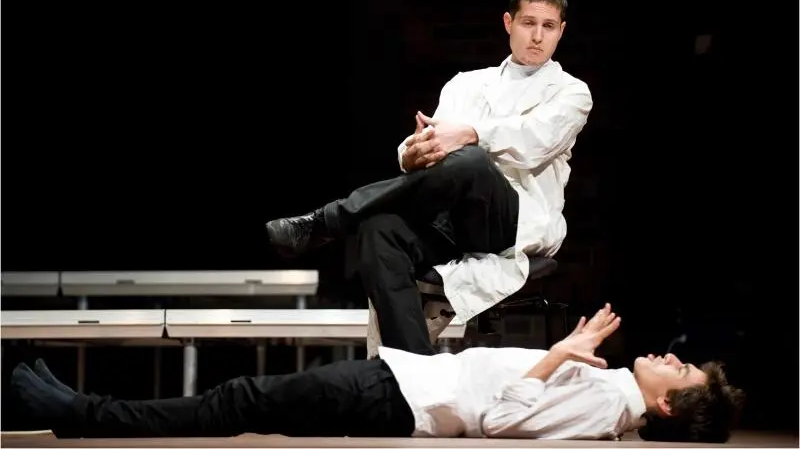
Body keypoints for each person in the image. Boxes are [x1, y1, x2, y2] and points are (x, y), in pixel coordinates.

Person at [265, 0, 593, 356]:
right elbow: (434, 146)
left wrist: (470, 133)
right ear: (508, 22)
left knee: (472, 161)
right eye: (528, 23)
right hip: (453, 219)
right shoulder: (465, 84)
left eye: (548, 26)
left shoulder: (572, 93)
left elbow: (532, 142)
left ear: (561, 31)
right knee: (379, 229)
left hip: (514, 222)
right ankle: (409, 368)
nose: (537, 36)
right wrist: (411, 154)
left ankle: (328, 220)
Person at [10, 304, 744, 442]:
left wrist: (558, 353)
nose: (671, 358)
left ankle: (81, 413)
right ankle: (82, 411)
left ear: (670, 409)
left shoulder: (605, 407)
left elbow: (501, 422)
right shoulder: (612, 394)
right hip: (403, 385)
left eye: (682, 372)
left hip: (400, 399)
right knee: (243, 401)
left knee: (239, 400)